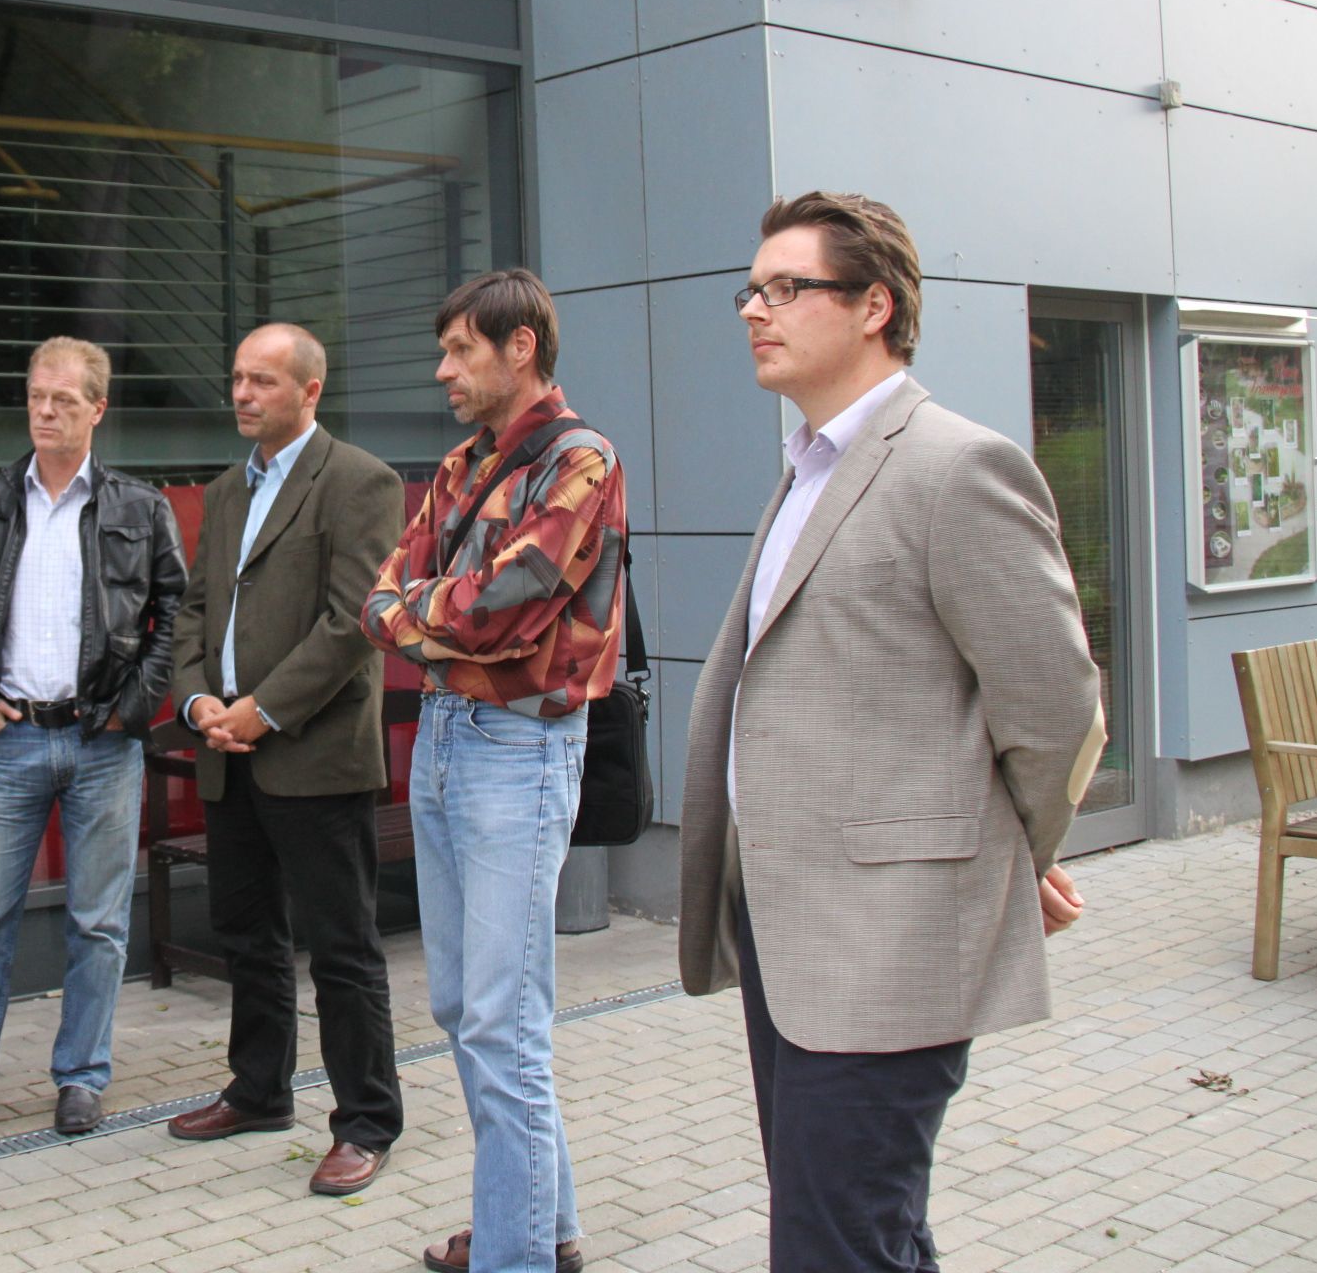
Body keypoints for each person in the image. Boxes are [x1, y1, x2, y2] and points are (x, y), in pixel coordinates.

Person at [677, 191, 1105, 1273]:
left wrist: (1012, 859)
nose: (754, 310)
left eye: (785, 287)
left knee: (832, 1242)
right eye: (750, 288)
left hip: (889, 935)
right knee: (865, 1229)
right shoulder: (808, 467)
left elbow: (1056, 709)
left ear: (875, 304)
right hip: (790, 921)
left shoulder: (957, 467)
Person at [362, 269, 626, 1273]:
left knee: (502, 1021)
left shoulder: (582, 459)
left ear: (521, 348)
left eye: (460, 350)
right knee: (466, 1010)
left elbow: (506, 604)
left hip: (519, 750)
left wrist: (426, 620)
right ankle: (539, 1228)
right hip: (444, 738)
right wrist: (437, 618)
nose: (443, 370)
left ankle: (514, 1253)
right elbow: (387, 590)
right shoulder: (462, 461)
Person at [0, 336, 186, 1142]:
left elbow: (174, 612)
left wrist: (134, 707)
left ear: (98, 409)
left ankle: (82, 1077)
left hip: (103, 741)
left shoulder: (140, 507)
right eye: (36, 396)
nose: (45, 410)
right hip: (12, 740)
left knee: (98, 924)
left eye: (64, 399)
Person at [162, 323, 406, 1195]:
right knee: (248, 936)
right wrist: (198, 704)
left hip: (312, 756)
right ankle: (260, 1090)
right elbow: (194, 608)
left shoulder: (359, 481)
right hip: (228, 753)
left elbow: (354, 625)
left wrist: (261, 712)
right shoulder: (228, 491)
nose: (242, 394)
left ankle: (367, 1121)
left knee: (341, 948)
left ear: (310, 390)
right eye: (236, 379)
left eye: (262, 380)